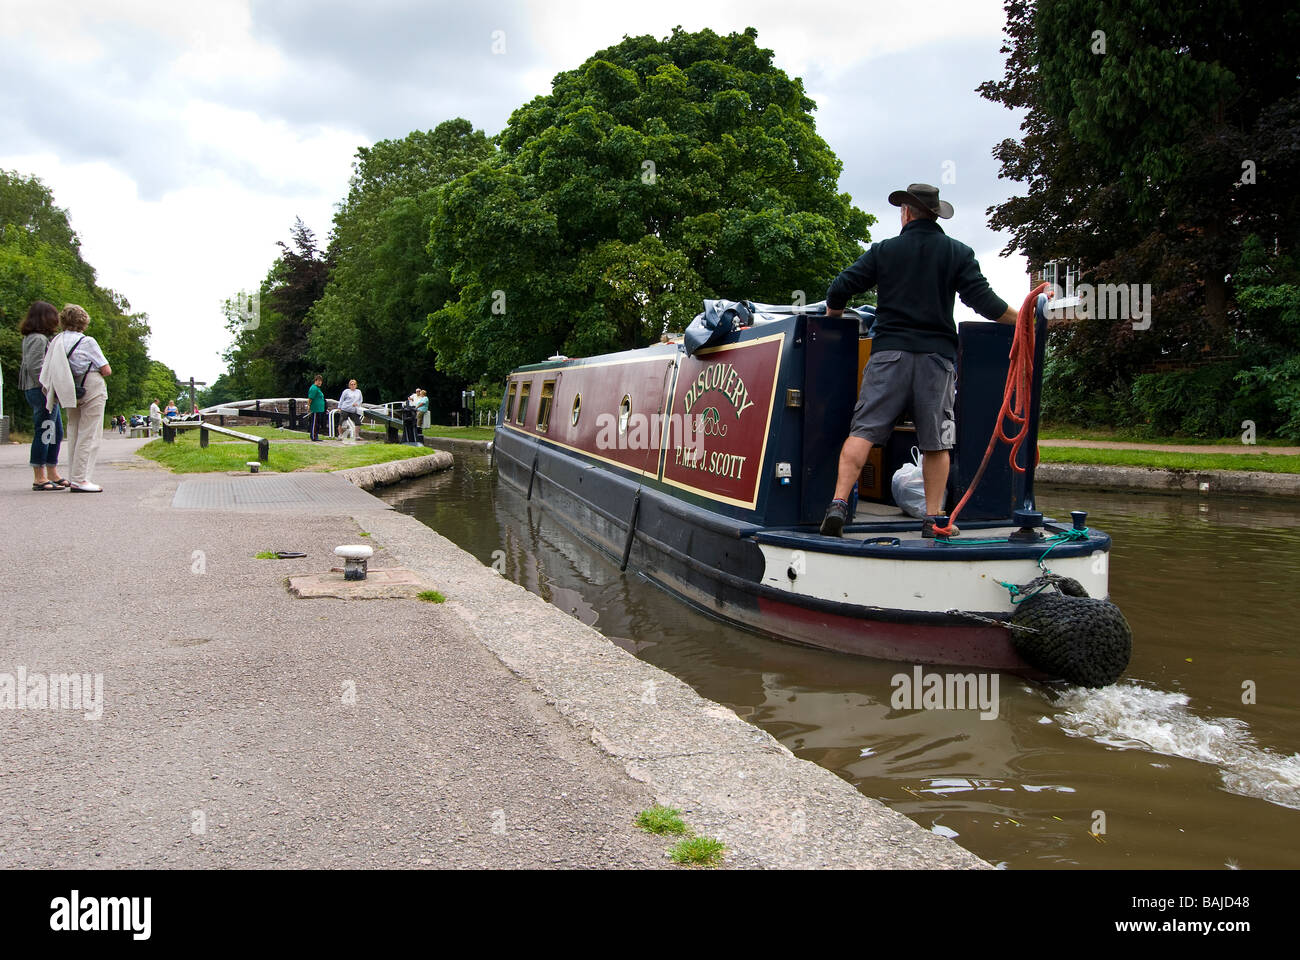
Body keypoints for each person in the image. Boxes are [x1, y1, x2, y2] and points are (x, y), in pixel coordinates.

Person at [819, 183, 1019, 539]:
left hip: (888, 355)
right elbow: (984, 302)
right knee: (936, 442)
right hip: (936, 360)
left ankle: (838, 504)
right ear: (934, 214)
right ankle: (933, 519)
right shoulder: (958, 253)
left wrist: (832, 317)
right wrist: (1023, 322)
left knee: (862, 431)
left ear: (907, 213)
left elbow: (840, 286)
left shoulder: (885, 251)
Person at [48, 304, 112, 493]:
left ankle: (74, 475)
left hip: (69, 387)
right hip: (90, 385)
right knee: (90, 432)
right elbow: (105, 369)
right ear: (83, 322)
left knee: (74, 430)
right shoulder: (87, 341)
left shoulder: (56, 341)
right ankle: (81, 479)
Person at [19, 301, 68, 490]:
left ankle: (52, 472)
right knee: (45, 431)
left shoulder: (38, 338)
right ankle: (39, 476)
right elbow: (35, 366)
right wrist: (49, 387)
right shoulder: (37, 339)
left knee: (55, 432)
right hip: (41, 392)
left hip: (45, 392)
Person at [308, 375, 326, 441]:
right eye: (318, 381)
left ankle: (316, 436)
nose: (320, 382)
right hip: (315, 409)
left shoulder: (318, 388)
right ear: (315, 381)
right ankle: (313, 436)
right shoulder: (314, 388)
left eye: (321, 381)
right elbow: (310, 398)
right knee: (314, 423)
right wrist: (309, 405)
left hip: (320, 409)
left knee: (318, 423)